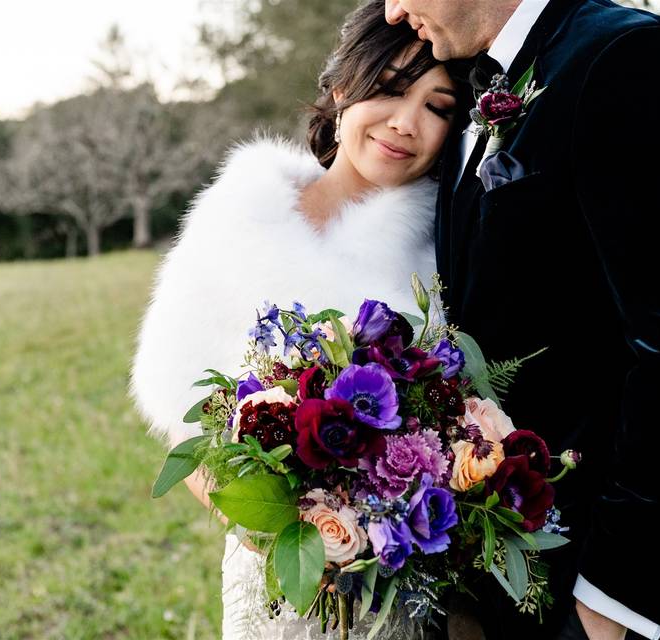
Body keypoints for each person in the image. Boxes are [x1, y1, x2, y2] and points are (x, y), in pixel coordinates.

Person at [383, 0, 660, 639]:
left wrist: (616, 595)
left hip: (600, 574)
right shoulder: (489, 79)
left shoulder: (630, 60)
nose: (392, 10)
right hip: (509, 565)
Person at [129, 2, 464, 637]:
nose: (406, 123)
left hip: (405, 590)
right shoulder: (241, 215)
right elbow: (182, 412)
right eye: (390, 89)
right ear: (341, 90)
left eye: (437, 107)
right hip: (277, 579)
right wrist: (273, 525)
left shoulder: (443, 258)